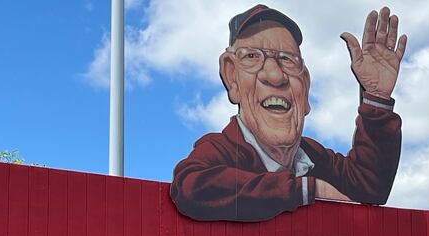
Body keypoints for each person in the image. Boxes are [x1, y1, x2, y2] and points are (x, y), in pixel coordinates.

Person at [170, 4, 408, 221]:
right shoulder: (222, 149)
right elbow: (191, 187)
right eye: (252, 57)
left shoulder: (312, 156)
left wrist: (376, 99)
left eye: (287, 60)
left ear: (305, 90)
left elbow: (369, 186)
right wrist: (303, 190)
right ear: (231, 77)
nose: (275, 75)